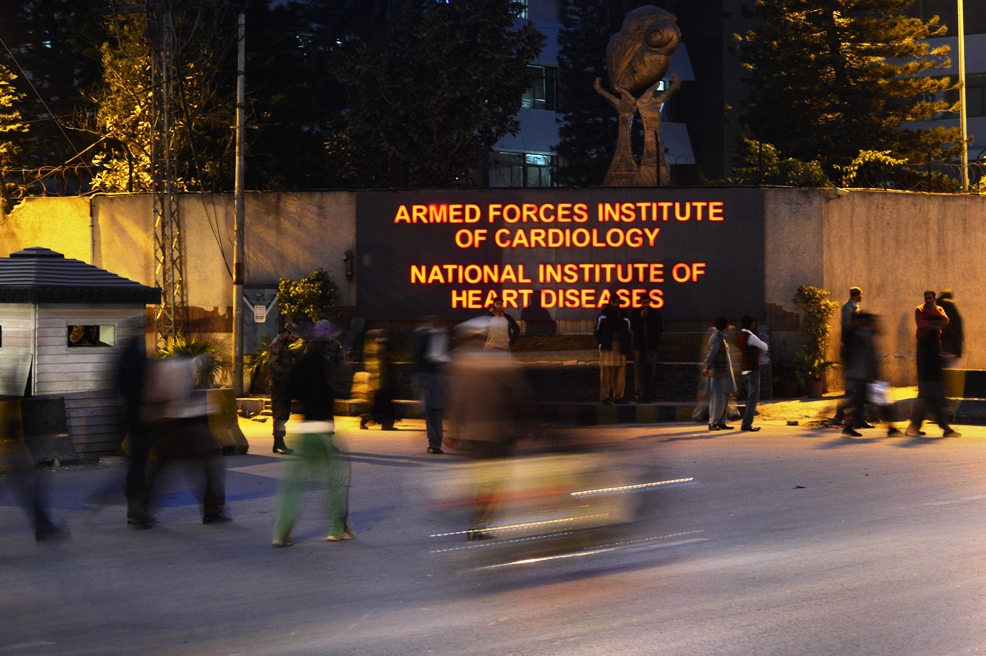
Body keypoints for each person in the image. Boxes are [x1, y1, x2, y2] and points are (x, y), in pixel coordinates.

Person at [447, 320, 533, 541]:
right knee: (495, 485)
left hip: (474, 436)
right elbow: (518, 396)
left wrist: (453, 431)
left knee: (483, 483)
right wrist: (526, 427)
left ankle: (476, 525)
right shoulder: (499, 361)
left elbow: (459, 400)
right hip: (498, 434)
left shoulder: (462, 362)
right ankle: (479, 525)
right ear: (485, 338)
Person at [272, 322, 354, 547]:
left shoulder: (303, 363)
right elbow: (331, 391)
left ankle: (281, 532)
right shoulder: (325, 367)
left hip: (304, 430)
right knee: (335, 480)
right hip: (321, 430)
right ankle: (337, 528)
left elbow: (291, 389)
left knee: (294, 486)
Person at [908, 290, 960, 437]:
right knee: (931, 392)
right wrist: (935, 322)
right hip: (925, 352)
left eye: (930, 298)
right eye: (926, 298)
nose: (927, 300)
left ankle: (914, 426)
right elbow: (922, 324)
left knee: (927, 395)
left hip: (935, 349)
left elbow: (945, 321)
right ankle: (945, 428)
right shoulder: (919, 310)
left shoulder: (939, 309)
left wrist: (932, 320)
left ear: (934, 299)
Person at [840, 313, 901, 437]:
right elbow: (864, 357)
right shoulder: (857, 335)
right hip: (863, 376)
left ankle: (848, 425)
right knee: (880, 401)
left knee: (862, 403)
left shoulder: (862, 334)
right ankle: (890, 427)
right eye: (867, 320)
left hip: (865, 375)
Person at [410, 316, 451, 454]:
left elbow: (418, 357)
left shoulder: (421, 335)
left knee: (431, 411)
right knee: (435, 412)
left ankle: (434, 443)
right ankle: (434, 442)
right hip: (436, 377)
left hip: (426, 377)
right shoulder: (439, 335)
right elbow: (439, 356)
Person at [833, 287, 863, 427]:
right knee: (851, 388)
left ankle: (857, 418)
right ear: (857, 295)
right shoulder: (848, 308)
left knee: (858, 389)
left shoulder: (854, 307)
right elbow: (846, 328)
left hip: (856, 351)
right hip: (851, 352)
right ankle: (841, 414)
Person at [595, 292, 632, 404]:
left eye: (617, 302)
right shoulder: (603, 314)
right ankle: (605, 397)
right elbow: (597, 331)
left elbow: (628, 330)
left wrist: (626, 344)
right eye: (613, 302)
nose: (615, 304)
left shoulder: (623, 314)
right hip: (608, 347)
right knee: (606, 373)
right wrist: (602, 342)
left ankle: (618, 396)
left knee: (620, 373)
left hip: (620, 347)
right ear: (610, 302)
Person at [268, 322, 298, 455]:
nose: (294, 339)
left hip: (285, 384)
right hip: (278, 384)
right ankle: (279, 443)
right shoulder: (276, 344)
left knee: (284, 414)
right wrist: (289, 370)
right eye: (292, 336)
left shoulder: (283, 345)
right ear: (286, 333)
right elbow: (273, 364)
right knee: (279, 415)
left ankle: (278, 443)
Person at [359, 329, 398, 430]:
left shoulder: (376, 349)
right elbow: (381, 366)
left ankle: (385, 423)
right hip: (381, 382)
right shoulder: (381, 349)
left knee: (379, 405)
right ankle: (386, 424)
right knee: (380, 405)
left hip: (380, 382)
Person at [702, 315, 736, 430]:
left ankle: (721, 421)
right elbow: (712, 353)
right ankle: (713, 422)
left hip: (721, 372)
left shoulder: (719, 336)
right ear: (726, 326)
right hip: (719, 373)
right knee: (718, 399)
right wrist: (706, 365)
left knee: (723, 398)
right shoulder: (718, 338)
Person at [737, 315, 768, 432]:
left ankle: (746, 422)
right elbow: (764, 347)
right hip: (752, 369)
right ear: (751, 324)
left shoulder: (740, 336)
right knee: (752, 398)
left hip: (745, 369)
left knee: (749, 397)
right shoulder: (750, 336)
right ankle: (746, 424)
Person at [630, 306, 663, 403]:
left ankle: (649, 394)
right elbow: (633, 328)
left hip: (651, 347)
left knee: (650, 371)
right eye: (643, 302)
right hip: (639, 347)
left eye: (647, 302)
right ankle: (640, 394)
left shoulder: (654, 314)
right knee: (640, 371)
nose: (645, 305)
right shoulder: (636, 313)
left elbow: (659, 329)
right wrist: (641, 317)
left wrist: (655, 343)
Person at [937, 289, 963, 365]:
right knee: (949, 370)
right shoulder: (951, 307)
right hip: (951, 347)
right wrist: (958, 350)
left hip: (938, 346)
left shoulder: (936, 306)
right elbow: (957, 329)